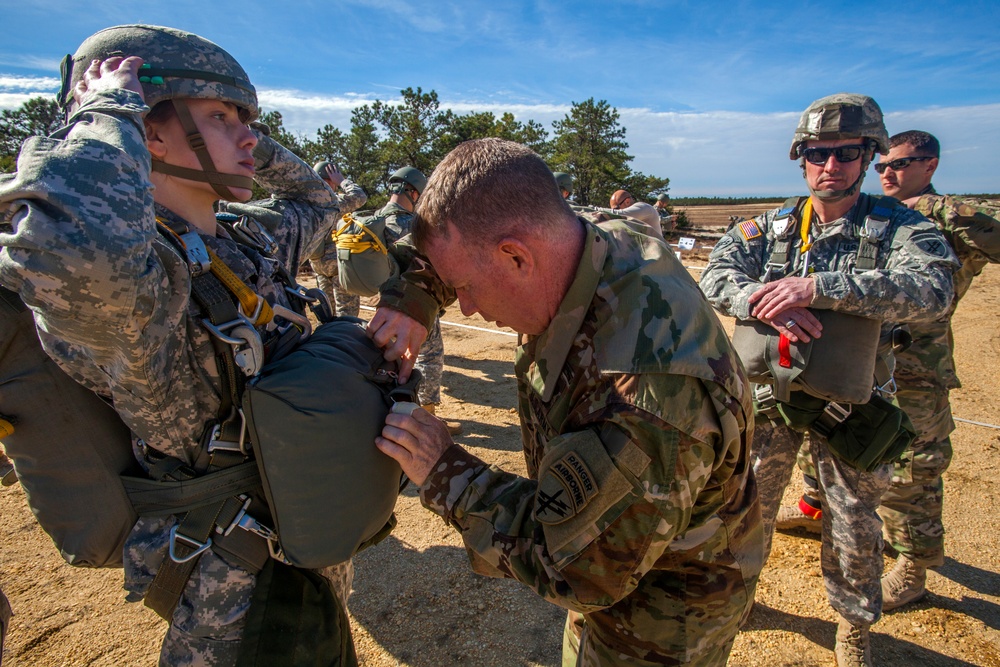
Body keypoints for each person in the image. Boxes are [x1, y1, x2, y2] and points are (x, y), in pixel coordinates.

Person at [0, 25, 353, 665]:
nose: (250, 136)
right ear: (147, 133)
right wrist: (106, 112)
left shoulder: (247, 242)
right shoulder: (140, 281)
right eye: (220, 117)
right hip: (235, 595)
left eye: (248, 120)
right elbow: (78, 247)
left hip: (307, 535)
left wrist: (238, 136)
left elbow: (316, 197)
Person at [369, 138, 763, 666]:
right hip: (623, 548)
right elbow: (459, 240)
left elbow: (577, 572)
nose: (464, 305)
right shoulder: (592, 240)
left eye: (463, 286)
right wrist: (416, 298)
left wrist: (446, 472)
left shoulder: (643, 399)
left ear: (516, 256)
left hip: (659, 622)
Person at [699, 95, 957, 666]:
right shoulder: (772, 227)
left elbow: (935, 291)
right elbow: (716, 275)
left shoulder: (902, 226)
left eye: (846, 153)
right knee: (745, 509)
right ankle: (735, 599)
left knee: (854, 522)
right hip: (770, 400)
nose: (830, 165)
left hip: (854, 402)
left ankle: (852, 623)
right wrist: (761, 300)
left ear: (867, 156)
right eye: (818, 153)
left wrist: (818, 289)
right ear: (802, 157)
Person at [778, 130, 1000, 610]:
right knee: (823, 438)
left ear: (931, 165)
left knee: (910, 468)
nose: (888, 173)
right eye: (883, 166)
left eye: (900, 164)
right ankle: (818, 510)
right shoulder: (863, 211)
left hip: (915, 364)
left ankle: (913, 567)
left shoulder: (950, 215)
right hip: (841, 360)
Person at [372, 166, 462, 435]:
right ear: (413, 191)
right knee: (430, 356)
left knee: (390, 353)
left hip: (386, 301)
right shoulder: (410, 224)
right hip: (416, 300)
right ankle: (427, 416)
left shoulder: (375, 219)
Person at [306, 160, 368, 317]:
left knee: (327, 314)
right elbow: (359, 197)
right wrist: (342, 181)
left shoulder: (307, 202)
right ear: (329, 181)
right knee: (346, 316)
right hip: (338, 267)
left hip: (318, 265)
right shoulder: (333, 202)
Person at [594, 189, 664, 241]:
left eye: (616, 208)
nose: (615, 211)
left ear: (627, 201)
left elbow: (621, 214)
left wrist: (593, 209)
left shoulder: (644, 207)